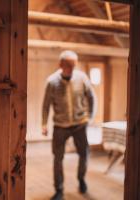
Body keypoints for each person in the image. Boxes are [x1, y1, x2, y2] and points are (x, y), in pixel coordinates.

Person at [42, 50, 96, 200]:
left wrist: (90, 118)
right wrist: (43, 124)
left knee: (84, 154)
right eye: (68, 65)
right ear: (60, 65)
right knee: (58, 158)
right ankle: (59, 189)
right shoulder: (52, 81)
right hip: (60, 126)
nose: (72, 68)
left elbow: (92, 98)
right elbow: (45, 105)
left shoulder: (82, 78)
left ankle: (81, 179)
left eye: (74, 65)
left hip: (80, 124)